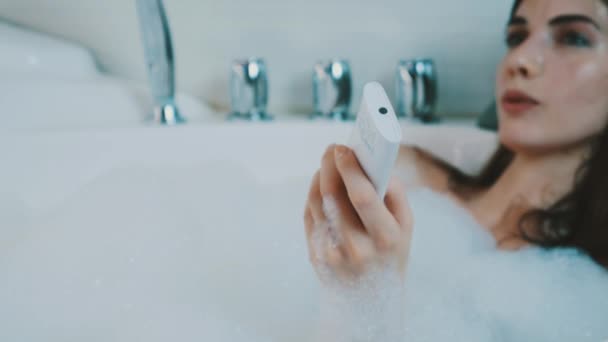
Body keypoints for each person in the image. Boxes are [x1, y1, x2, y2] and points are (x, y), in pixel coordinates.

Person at [303, 0, 608, 339]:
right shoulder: (408, 173)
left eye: (574, 38)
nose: (519, 60)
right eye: (516, 37)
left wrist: (369, 300)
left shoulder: (581, 299)